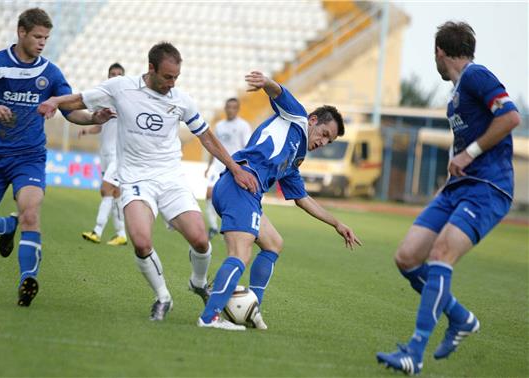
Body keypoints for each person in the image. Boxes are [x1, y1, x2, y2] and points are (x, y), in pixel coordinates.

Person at [38, 42, 258, 321]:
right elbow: (80, 100)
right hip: (135, 178)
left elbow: (205, 136)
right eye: (167, 76)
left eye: (176, 77)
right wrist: (55, 102)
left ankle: (198, 282)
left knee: (201, 240)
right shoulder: (121, 87)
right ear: (151, 68)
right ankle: (163, 297)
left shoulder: (181, 99)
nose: (172, 83)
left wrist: (234, 168)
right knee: (141, 242)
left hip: (170, 178)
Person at [376, 21, 521, 375]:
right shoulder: (456, 94)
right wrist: (450, 176)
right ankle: (461, 319)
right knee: (407, 258)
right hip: (458, 188)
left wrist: (469, 153)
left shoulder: (475, 75)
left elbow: (511, 116)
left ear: (440, 52)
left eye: (434, 55)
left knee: (441, 254)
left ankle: (415, 352)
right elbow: (461, 148)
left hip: (488, 187)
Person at [0, 8, 113, 307]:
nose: (43, 42)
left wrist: (95, 116)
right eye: (37, 36)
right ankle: (6, 226)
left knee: (30, 213)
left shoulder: (51, 73)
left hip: (29, 157)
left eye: (46, 37)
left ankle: (27, 279)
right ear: (21, 32)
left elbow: (73, 114)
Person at [197, 71, 362, 331]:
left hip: (244, 191)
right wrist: (266, 83)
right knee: (240, 254)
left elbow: (302, 199)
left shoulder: (295, 159)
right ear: (314, 120)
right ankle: (210, 317)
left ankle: (251, 309)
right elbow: (278, 92)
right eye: (324, 133)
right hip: (240, 183)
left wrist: (337, 223)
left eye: (329, 140)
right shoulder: (296, 118)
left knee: (273, 243)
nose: (323, 141)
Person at [79, 63, 128, 246]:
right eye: (112, 74)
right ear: (107, 76)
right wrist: (86, 131)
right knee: (115, 194)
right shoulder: (104, 101)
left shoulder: (126, 102)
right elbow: (100, 126)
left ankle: (97, 231)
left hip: (119, 156)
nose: (115, 76)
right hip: (105, 155)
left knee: (105, 189)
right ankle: (121, 233)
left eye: (118, 74)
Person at [204, 98, 251, 239]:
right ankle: (213, 226)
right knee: (209, 195)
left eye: (233, 107)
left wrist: (244, 168)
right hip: (218, 165)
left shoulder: (243, 126)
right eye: (228, 107)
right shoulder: (219, 126)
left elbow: (247, 148)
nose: (230, 110)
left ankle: (232, 228)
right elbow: (214, 147)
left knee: (232, 199)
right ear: (225, 108)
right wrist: (208, 166)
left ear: (237, 109)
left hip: (234, 168)